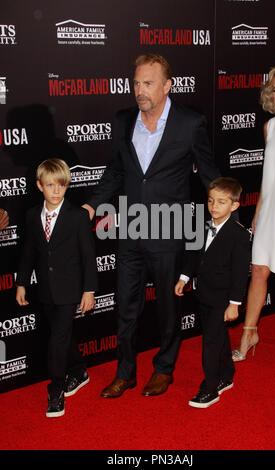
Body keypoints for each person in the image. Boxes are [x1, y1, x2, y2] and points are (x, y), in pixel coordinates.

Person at [83, 53, 220, 398]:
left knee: (167, 308)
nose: (139, 91)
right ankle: (125, 372)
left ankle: (164, 368)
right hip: (130, 228)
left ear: (167, 85)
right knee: (125, 308)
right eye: (136, 83)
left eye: (148, 83)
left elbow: (208, 174)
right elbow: (115, 171)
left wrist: (224, 214)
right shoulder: (123, 120)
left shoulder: (190, 123)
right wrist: (90, 206)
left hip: (170, 230)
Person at [16, 158, 98, 417]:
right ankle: (79, 369)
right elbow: (28, 252)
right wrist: (21, 282)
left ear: (67, 186)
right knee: (61, 334)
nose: (55, 191)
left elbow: (88, 256)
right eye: (50, 185)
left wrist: (89, 290)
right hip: (45, 289)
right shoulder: (31, 216)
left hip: (70, 288)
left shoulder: (77, 216)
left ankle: (56, 388)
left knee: (58, 337)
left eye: (61, 185)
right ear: (40, 185)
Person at [232, 60, 275, 362]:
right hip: (272, 206)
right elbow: (268, 173)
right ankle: (249, 331)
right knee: (259, 268)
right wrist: (259, 210)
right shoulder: (270, 126)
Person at [175, 177, 250, 408]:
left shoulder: (239, 235)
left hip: (224, 299)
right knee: (217, 336)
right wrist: (184, 277)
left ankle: (210, 388)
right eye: (210, 201)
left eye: (221, 202)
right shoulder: (203, 226)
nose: (214, 206)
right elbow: (194, 255)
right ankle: (227, 374)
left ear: (234, 205)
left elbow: (240, 273)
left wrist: (234, 303)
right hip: (204, 294)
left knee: (210, 342)